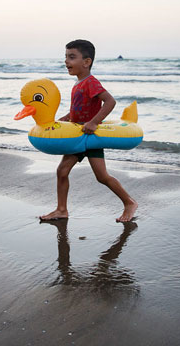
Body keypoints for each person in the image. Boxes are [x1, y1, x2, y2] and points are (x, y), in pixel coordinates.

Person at [39, 39, 138, 223]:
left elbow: (110, 101)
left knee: (102, 176)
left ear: (86, 62)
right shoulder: (78, 84)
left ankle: (129, 202)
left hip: (90, 138)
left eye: (72, 57)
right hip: (77, 138)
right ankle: (61, 210)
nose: (66, 61)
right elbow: (79, 108)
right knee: (62, 170)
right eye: (66, 57)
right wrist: (66, 118)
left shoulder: (91, 82)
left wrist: (93, 122)